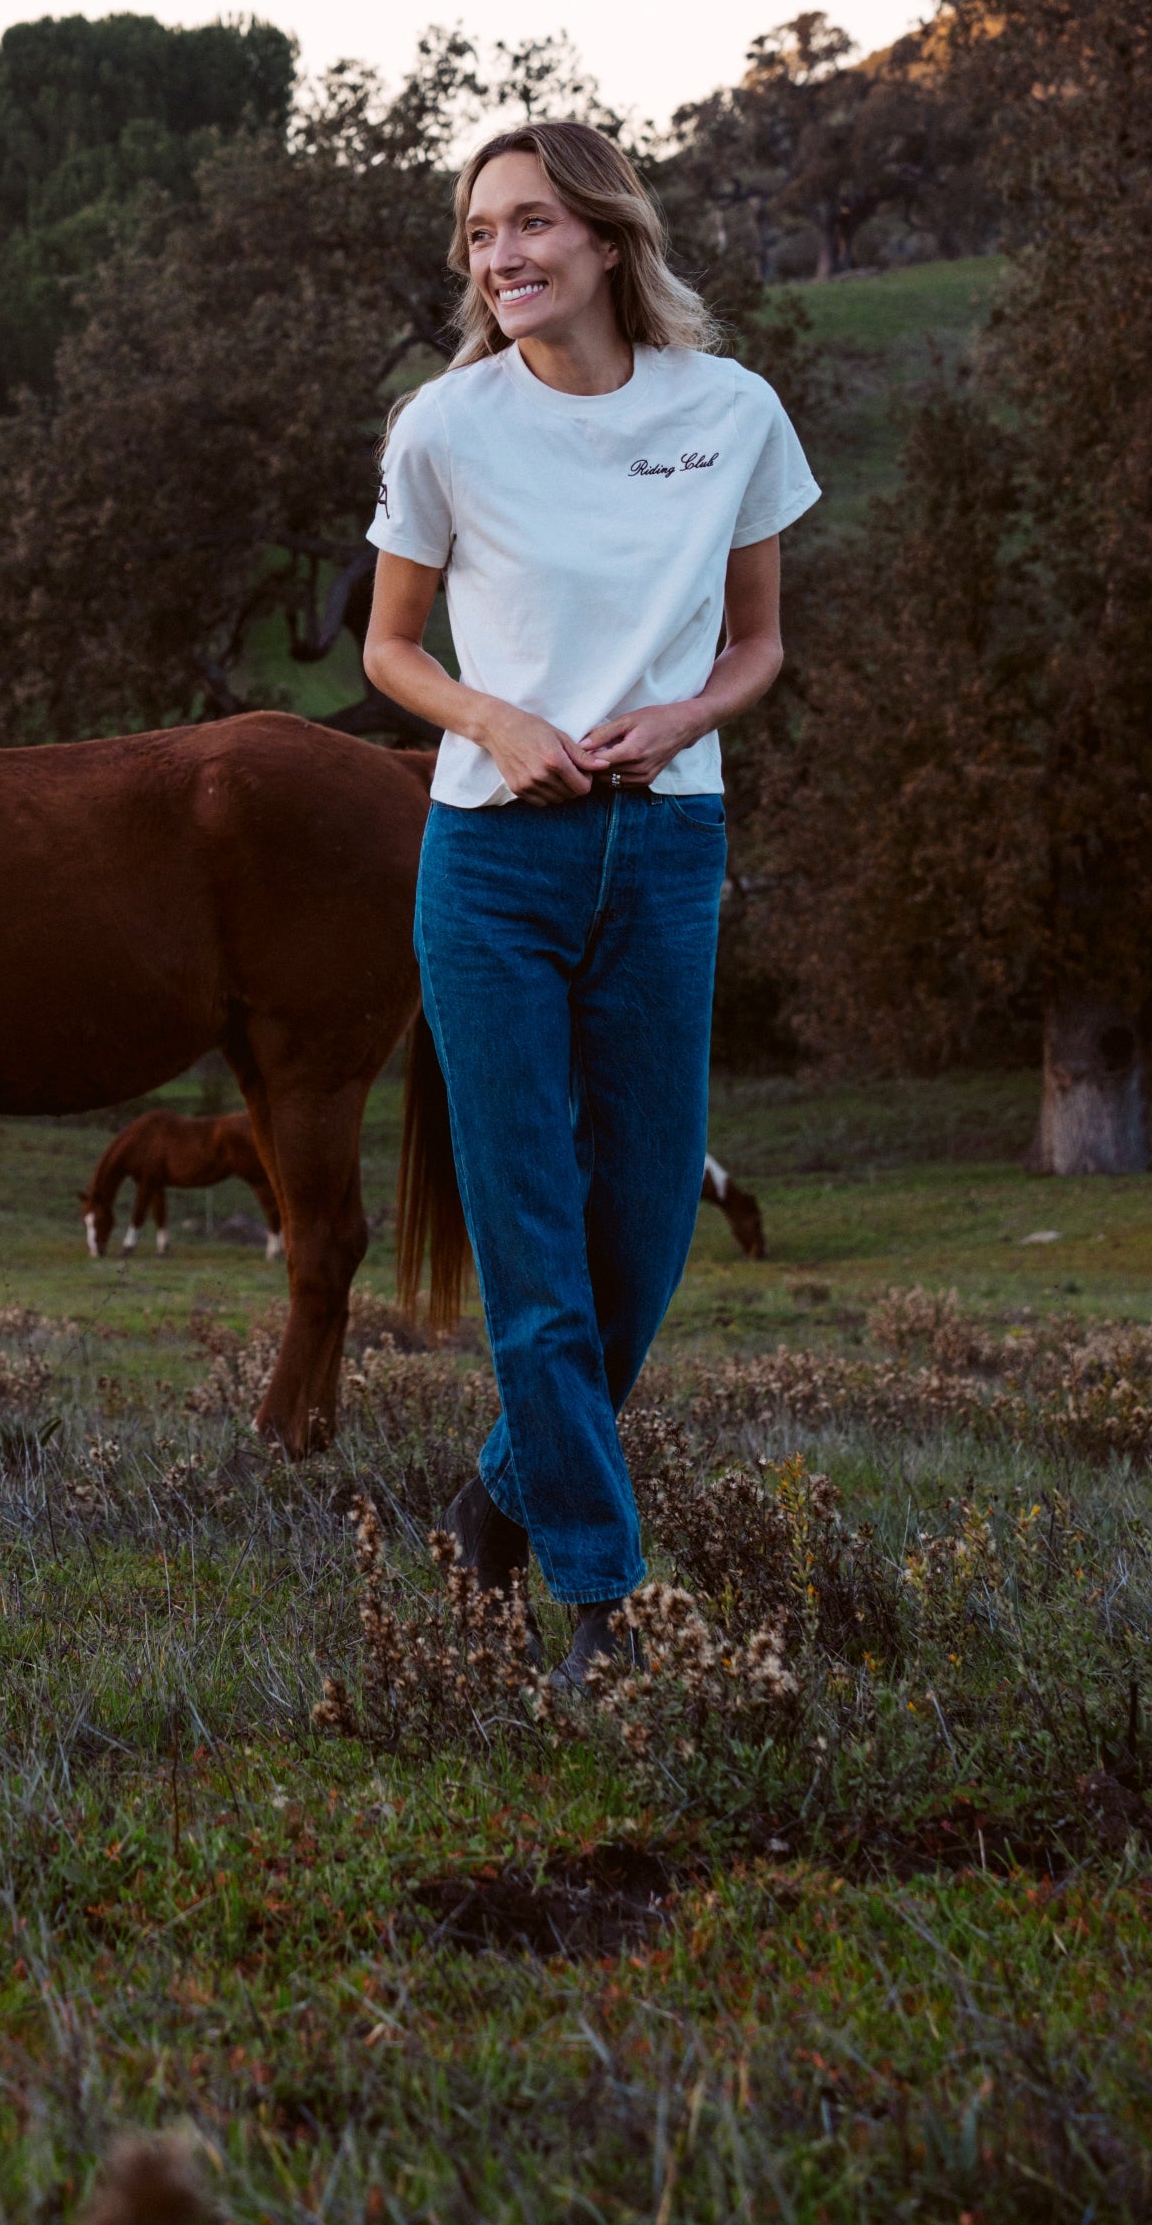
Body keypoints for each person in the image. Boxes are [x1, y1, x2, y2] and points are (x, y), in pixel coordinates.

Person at [361, 120, 817, 1690]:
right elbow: (390, 650)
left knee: (636, 1240)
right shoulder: (440, 429)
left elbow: (753, 646)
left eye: (531, 223)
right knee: (532, 1247)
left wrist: (679, 720)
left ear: (609, 241)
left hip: (664, 852)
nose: (498, 255)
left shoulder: (731, 411)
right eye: (480, 233)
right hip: (489, 864)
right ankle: (596, 1603)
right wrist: (492, 722)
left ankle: (499, 1496)